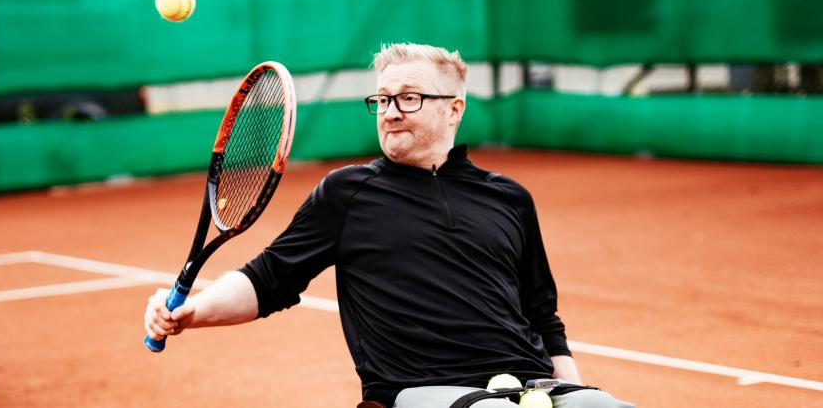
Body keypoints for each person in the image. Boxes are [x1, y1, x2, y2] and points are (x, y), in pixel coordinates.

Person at [144, 43, 632, 408]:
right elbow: (268, 279)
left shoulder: (509, 198)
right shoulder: (348, 193)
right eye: (382, 100)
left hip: (525, 384)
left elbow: (543, 317)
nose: (392, 111)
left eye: (409, 98)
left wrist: (577, 389)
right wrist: (193, 311)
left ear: (454, 108)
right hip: (417, 390)